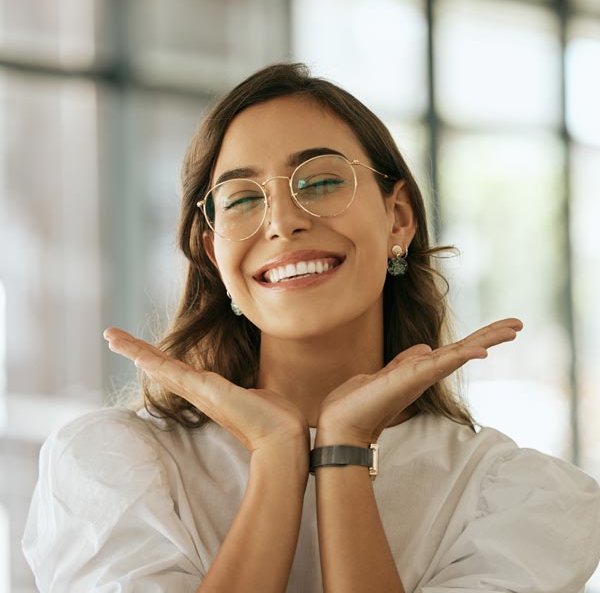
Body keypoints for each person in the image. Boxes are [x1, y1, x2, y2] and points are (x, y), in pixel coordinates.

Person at [22, 62, 600, 593]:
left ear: (397, 218)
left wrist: (344, 450)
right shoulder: (112, 469)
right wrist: (276, 455)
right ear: (213, 252)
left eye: (321, 182)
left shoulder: (516, 498)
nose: (282, 223)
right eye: (243, 198)